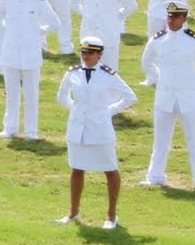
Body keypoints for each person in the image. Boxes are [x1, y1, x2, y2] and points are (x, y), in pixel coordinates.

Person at [57, 36, 137, 229]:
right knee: (77, 169)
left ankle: (111, 216)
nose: (86, 56)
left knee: (110, 169)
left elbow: (129, 98)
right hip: (78, 129)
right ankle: (73, 212)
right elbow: (61, 97)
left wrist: (108, 111)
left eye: (90, 53)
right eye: (83, 52)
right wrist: (76, 110)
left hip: (100, 129)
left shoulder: (108, 75)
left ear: (99, 54)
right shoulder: (73, 73)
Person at [140, 1, 195, 192]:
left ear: (184, 19)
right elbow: (146, 63)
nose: (171, 20)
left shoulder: (194, 40)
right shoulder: (157, 39)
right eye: (169, 16)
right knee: (161, 140)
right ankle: (155, 175)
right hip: (165, 96)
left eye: (175, 16)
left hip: (188, 96)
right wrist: (160, 79)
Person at [0, 0, 63, 140]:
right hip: (11, 52)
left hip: (31, 52)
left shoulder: (39, 1)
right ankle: (10, 127)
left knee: (31, 93)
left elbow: (55, 24)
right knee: (11, 93)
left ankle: (31, 130)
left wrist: (39, 32)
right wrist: (9, 32)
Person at [67, 0, 139, 71]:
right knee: (87, 66)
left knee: (109, 67)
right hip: (89, 30)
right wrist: (85, 14)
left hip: (109, 31)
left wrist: (116, 17)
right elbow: (72, 3)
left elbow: (132, 6)